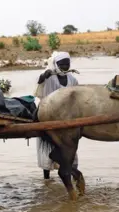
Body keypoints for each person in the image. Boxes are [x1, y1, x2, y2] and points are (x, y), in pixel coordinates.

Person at [34, 51, 80, 180]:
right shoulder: (49, 78)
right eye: (62, 64)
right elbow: (39, 83)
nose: (65, 67)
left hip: (67, 118)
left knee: (71, 147)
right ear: (55, 64)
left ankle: (73, 174)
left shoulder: (72, 79)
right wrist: (44, 75)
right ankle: (46, 179)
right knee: (47, 148)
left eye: (67, 64)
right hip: (49, 115)